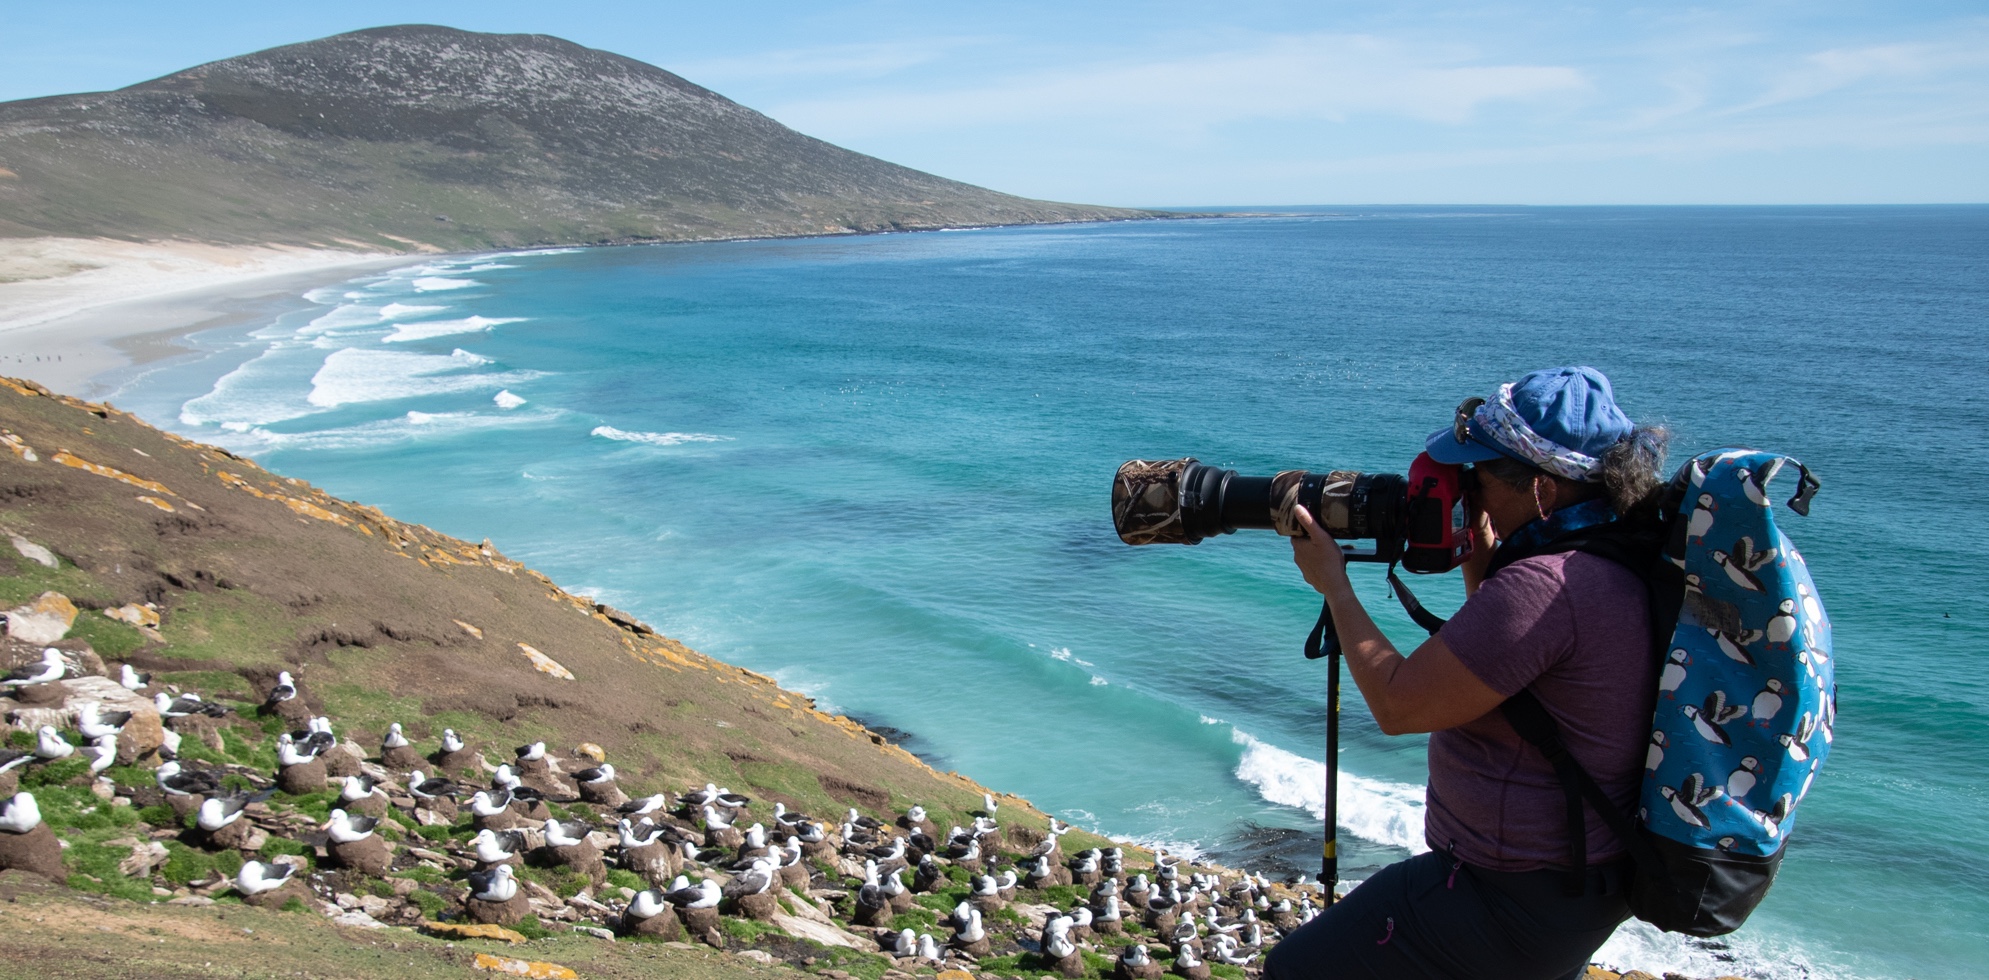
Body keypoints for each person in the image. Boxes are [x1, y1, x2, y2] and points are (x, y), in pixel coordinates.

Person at [1264, 366, 1672, 980]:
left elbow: (1400, 706)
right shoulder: (1616, 552)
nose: (1469, 493)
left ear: (1540, 488)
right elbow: (1510, 658)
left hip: (1503, 895)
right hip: (1578, 889)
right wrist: (1477, 541)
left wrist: (1335, 586)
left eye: (1477, 479)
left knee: (1294, 971)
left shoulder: (1546, 588)